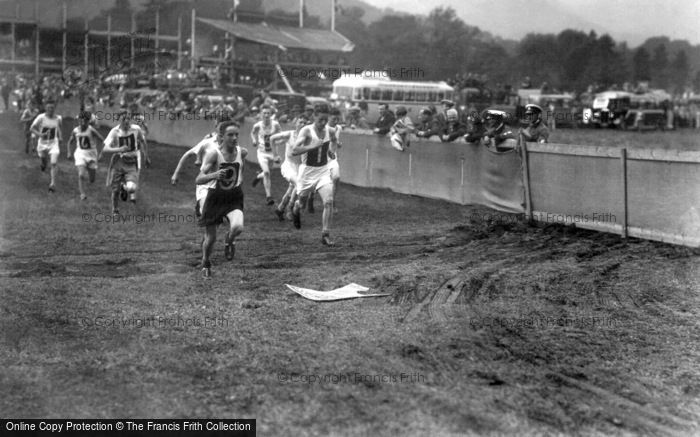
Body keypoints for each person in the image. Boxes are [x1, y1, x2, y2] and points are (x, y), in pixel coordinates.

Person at [196, 121, 248, 278]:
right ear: (222, 137)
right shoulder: (214, 154)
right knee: (211, 238)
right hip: (215, 197)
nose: (234, 138)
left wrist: (238, 181)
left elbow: (241, 169)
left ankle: (229, 240)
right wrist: (214, 175)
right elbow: (199, 179)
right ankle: (206, 260)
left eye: (236, 134)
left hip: (233, 196)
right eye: (230, 135)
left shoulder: (242, 152)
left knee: (238, 227)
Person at [291, 111, 338, 246]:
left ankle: (325, 234)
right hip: (307, 172)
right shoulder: (306, 131)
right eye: (320, 120)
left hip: (323, 171)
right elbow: (295, 150)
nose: (323, 123)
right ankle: (295, 208)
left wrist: (331, 152)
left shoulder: (330, 130)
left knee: (328, 201)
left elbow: (334, 141)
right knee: (302, 204)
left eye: (325, 120)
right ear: (314, 118)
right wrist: (313, 145)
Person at [102, 111, 150, 214]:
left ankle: (124, 187)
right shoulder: (114, 131)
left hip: (131, 163)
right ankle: (115, 210)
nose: (127, 121)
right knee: (115, 191)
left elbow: (142, 141)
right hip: (119, 162)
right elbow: (105, 149)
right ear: (119, 120)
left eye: (128, 118)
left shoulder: (136, 129)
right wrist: (119, 149)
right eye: (124, 119)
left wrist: (146, 157)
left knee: (132, 188)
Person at [270, 114, 309, 221]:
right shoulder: (289, 134)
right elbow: (272, 138)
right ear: (296, 123)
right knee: (298, 184)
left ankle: (280, 208)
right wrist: (275, 155)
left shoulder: (308, 138)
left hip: (299, 168)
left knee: (292, 188)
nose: (302, 124)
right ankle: (289, 209)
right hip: (288, 165)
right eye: (300, 122)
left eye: (305, 123)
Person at [67, 111, 105, 200]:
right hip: (80, 153)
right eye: (81, 121)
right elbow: (70, 141)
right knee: (81, 175)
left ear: (89, 121)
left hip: (91, 154)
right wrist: (69, 152)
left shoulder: (91, 130)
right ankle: (82, 194)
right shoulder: (75, 130)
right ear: (79, 121)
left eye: (86, 121)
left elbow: (102, 140)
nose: (83, 123)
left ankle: (88, 168)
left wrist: (101, 153)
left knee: (92, 180)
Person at [250, 105, 282, 205]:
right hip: (262, 152)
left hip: (272, 153)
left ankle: (259, 176)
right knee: (267, 172)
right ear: (261, 114)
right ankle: (269, 196)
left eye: (268, 113)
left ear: (271, 114)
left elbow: (281, 134)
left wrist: (278, 141)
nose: (266, 115)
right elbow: (252, 133)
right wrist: (254, 140)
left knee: (267, 172)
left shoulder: (275, 124)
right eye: (264, 113)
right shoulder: (258, 125)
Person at [30, 100, 63, 192]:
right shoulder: (41, 117)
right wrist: (40, 135)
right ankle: (43, 165)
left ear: (54, 108)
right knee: (44, 162)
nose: (50, 109)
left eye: (52, 108)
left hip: (53, 143)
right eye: (48, 107)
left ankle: (52, 184)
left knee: (53, 163)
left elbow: (59, 128)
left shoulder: (58, 118)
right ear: (45, 108)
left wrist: (60, 137)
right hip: (42, 144)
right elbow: (32, 128)